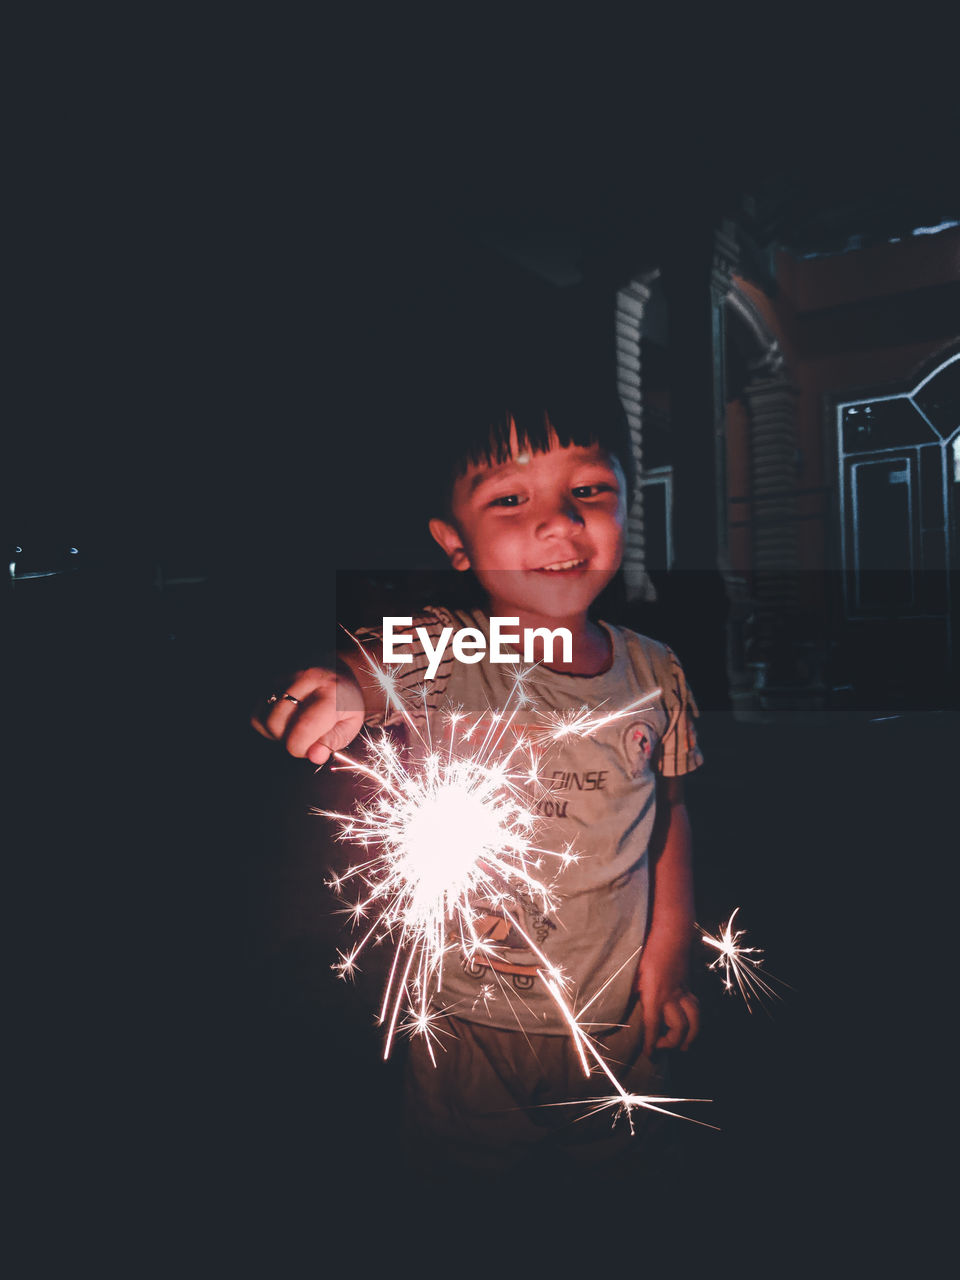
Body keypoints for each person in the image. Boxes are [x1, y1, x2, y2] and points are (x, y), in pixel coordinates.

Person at [251, 394, 704, 1186]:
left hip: (612, 1017)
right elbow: (366, 672)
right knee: (462, 1196)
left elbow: (669, 819)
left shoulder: (656, 671)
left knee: (615, 1182)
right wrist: (335, 692)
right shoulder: (445, 647)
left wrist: (668, 957)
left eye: (588, 491)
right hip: (463, 1025)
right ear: (455, 544)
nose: (560, 522)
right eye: (510, 499)